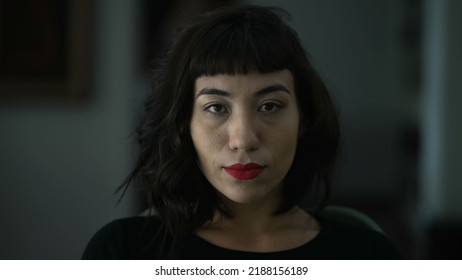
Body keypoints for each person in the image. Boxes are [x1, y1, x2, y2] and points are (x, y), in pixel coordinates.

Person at [82, 5, 401, 259]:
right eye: (216, 108)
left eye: (269, 106)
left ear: (304, 118)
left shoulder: (366, 255)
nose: (244, 139)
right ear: (184, 123)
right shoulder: (124, 252)